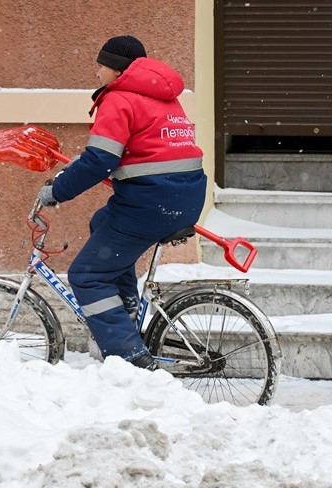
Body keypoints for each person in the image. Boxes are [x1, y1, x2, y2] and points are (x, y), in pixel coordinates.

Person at [37, 35, 207, 370]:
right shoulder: (164, 98)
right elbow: (145, 152)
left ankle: (130, 358)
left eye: (100, 64)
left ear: (115, 68)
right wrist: (86, 165)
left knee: (86, 275)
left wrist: (57, 191)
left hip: (150, 203)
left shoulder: (119, 99)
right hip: (182, 197)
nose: (97, 71)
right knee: (102, 223)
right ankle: (127, 306)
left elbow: (101, 159)